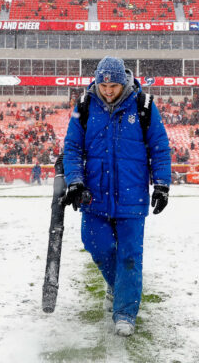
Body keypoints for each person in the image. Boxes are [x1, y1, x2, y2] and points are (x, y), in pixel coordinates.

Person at [62, 56, 171, 338]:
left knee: (130, 256)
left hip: (131, 196)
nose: (108, 90)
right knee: (96, 245)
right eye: (103, 84)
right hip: (94, 195)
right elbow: (72, 147)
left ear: (124, 82)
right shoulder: (84, 106)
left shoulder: (144, 106)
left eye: (113, 85)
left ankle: (124, 313)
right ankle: (117, 285)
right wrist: (75, 181)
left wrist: (161, 184)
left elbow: (159, 147)